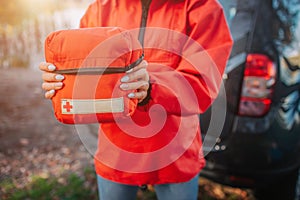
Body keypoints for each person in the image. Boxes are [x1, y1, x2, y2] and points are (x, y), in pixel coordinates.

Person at [39, 0, 233, 199]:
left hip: (175, 154)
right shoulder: (101, 8)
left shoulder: (201, 7)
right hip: (116, 152)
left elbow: (202, 83)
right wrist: (63, 80)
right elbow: (85, 69)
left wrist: (151, 86)